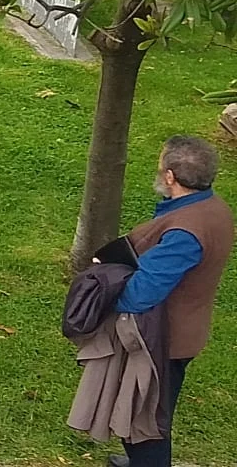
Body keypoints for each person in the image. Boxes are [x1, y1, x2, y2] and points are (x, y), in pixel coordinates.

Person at [110, 136, 233, 467]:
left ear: (170, 177)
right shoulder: (212, 208)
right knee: (149, 411)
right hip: (186, 330)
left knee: (144, 423)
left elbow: (142, 292)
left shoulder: (184, 232)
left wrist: (104, 292)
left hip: (163, 341)